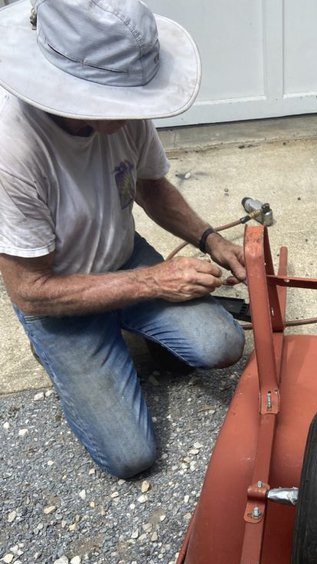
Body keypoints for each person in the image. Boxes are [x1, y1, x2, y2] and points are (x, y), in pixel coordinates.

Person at [0, 0, 247, 478]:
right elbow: (30, 291)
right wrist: (155, 283)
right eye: (126, 102)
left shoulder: (121, 107)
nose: (140, 110)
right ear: (76, 92)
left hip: (123, 256)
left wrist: (209, 239)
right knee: (130, 458)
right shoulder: (13, 151)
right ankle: (63, 347)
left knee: (221, 346)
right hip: (58, 293)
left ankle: (135, 327)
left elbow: (152, 186)